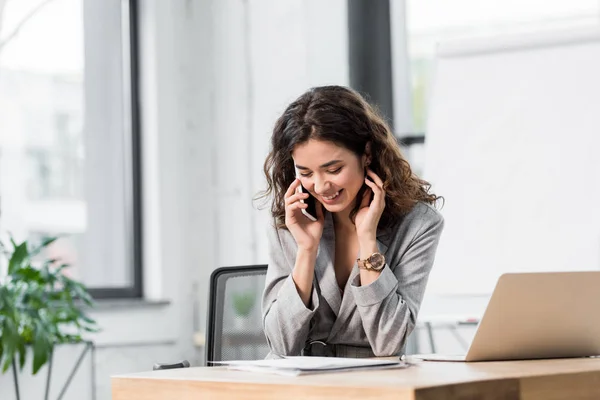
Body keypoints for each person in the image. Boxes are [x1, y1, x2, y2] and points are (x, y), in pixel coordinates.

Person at [258, 85, 444, 358]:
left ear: (366, 153)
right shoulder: (292, 221)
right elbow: (280, 345)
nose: (320, 186)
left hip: (373, 387)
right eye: (305, 172)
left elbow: (388, 342)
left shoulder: (418, 224)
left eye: (333, 169)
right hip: (300, 387)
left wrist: (368, 240)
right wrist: (306, 250)